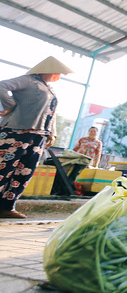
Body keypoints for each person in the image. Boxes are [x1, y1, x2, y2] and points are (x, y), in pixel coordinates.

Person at [0, 56, 73, 219]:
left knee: (24, 171)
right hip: (16, 131)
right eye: (59, 72)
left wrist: (52, 132)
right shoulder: (28, 80)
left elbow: (51, 112)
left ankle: (7, 206)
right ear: (50, 70)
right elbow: (2, 85)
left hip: (38, 135)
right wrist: (10, 106)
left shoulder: (49, 88)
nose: (61, 76)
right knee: (4, 167)